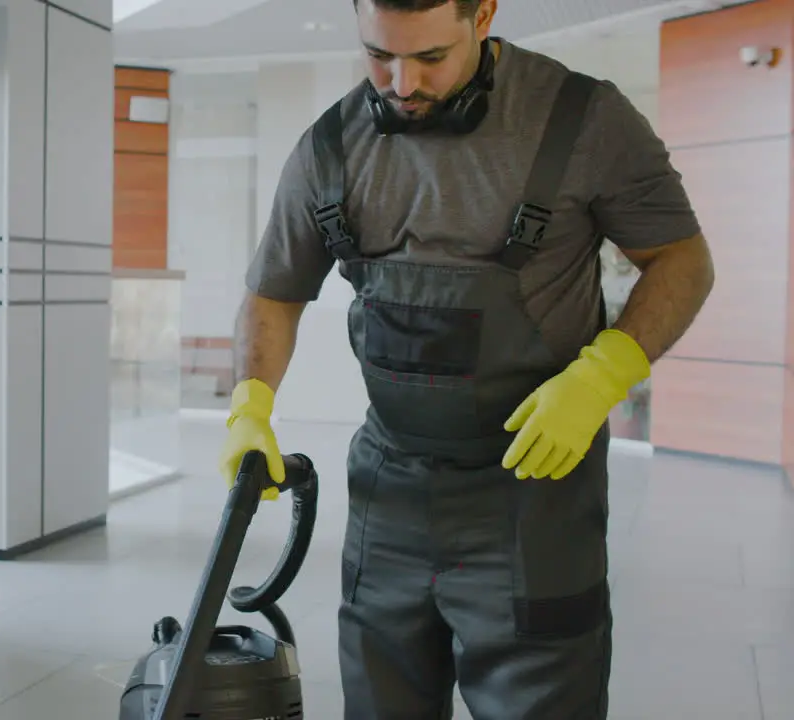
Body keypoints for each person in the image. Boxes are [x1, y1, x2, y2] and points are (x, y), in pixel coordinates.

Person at [217, 0, 715, 717]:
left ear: (483, 15)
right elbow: (273, 294)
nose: (400, 83)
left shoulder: (582, 120)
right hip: (387, 493)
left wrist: (605, 373)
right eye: (378, 56)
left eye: (428, 59)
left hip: (532, 493)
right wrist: (249, 406)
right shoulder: (330, 145)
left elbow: (682, 260)